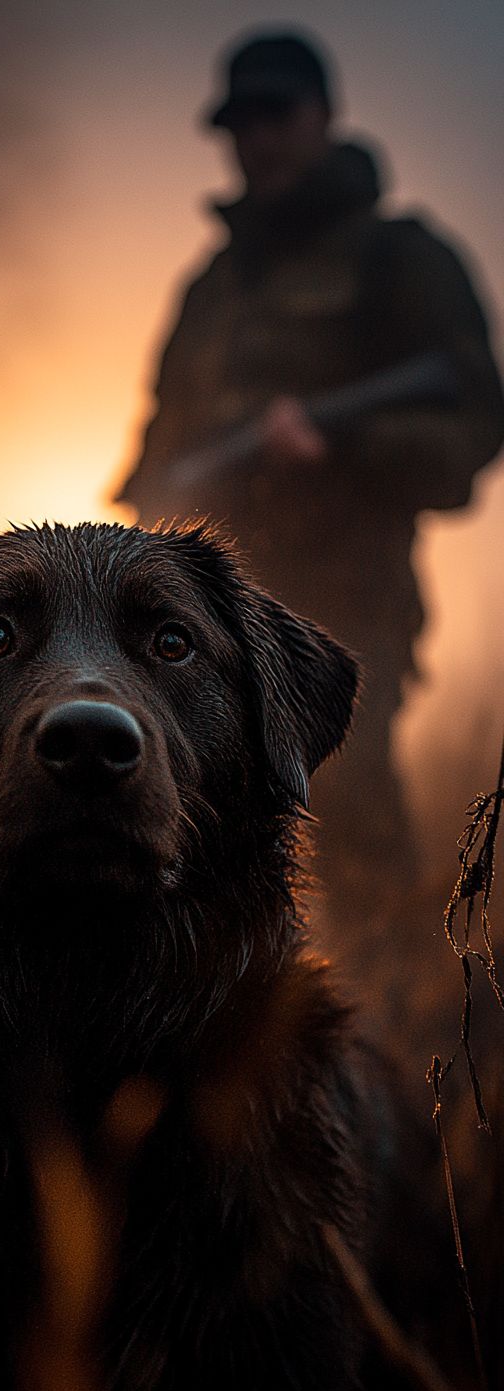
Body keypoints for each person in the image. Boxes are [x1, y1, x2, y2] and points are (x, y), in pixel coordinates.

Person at [115, 31, 504, 983]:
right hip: (208, 610)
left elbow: (473, 423)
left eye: (278, 114)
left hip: (348, 595)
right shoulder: (211, 287)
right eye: (241, 121)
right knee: (192, 818)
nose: (260, 138)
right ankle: (219, 1030)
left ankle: (409, 1020)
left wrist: (340, 444)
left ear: (325, 117)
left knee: (346, 792)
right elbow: (159, 442)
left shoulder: (400, 258)